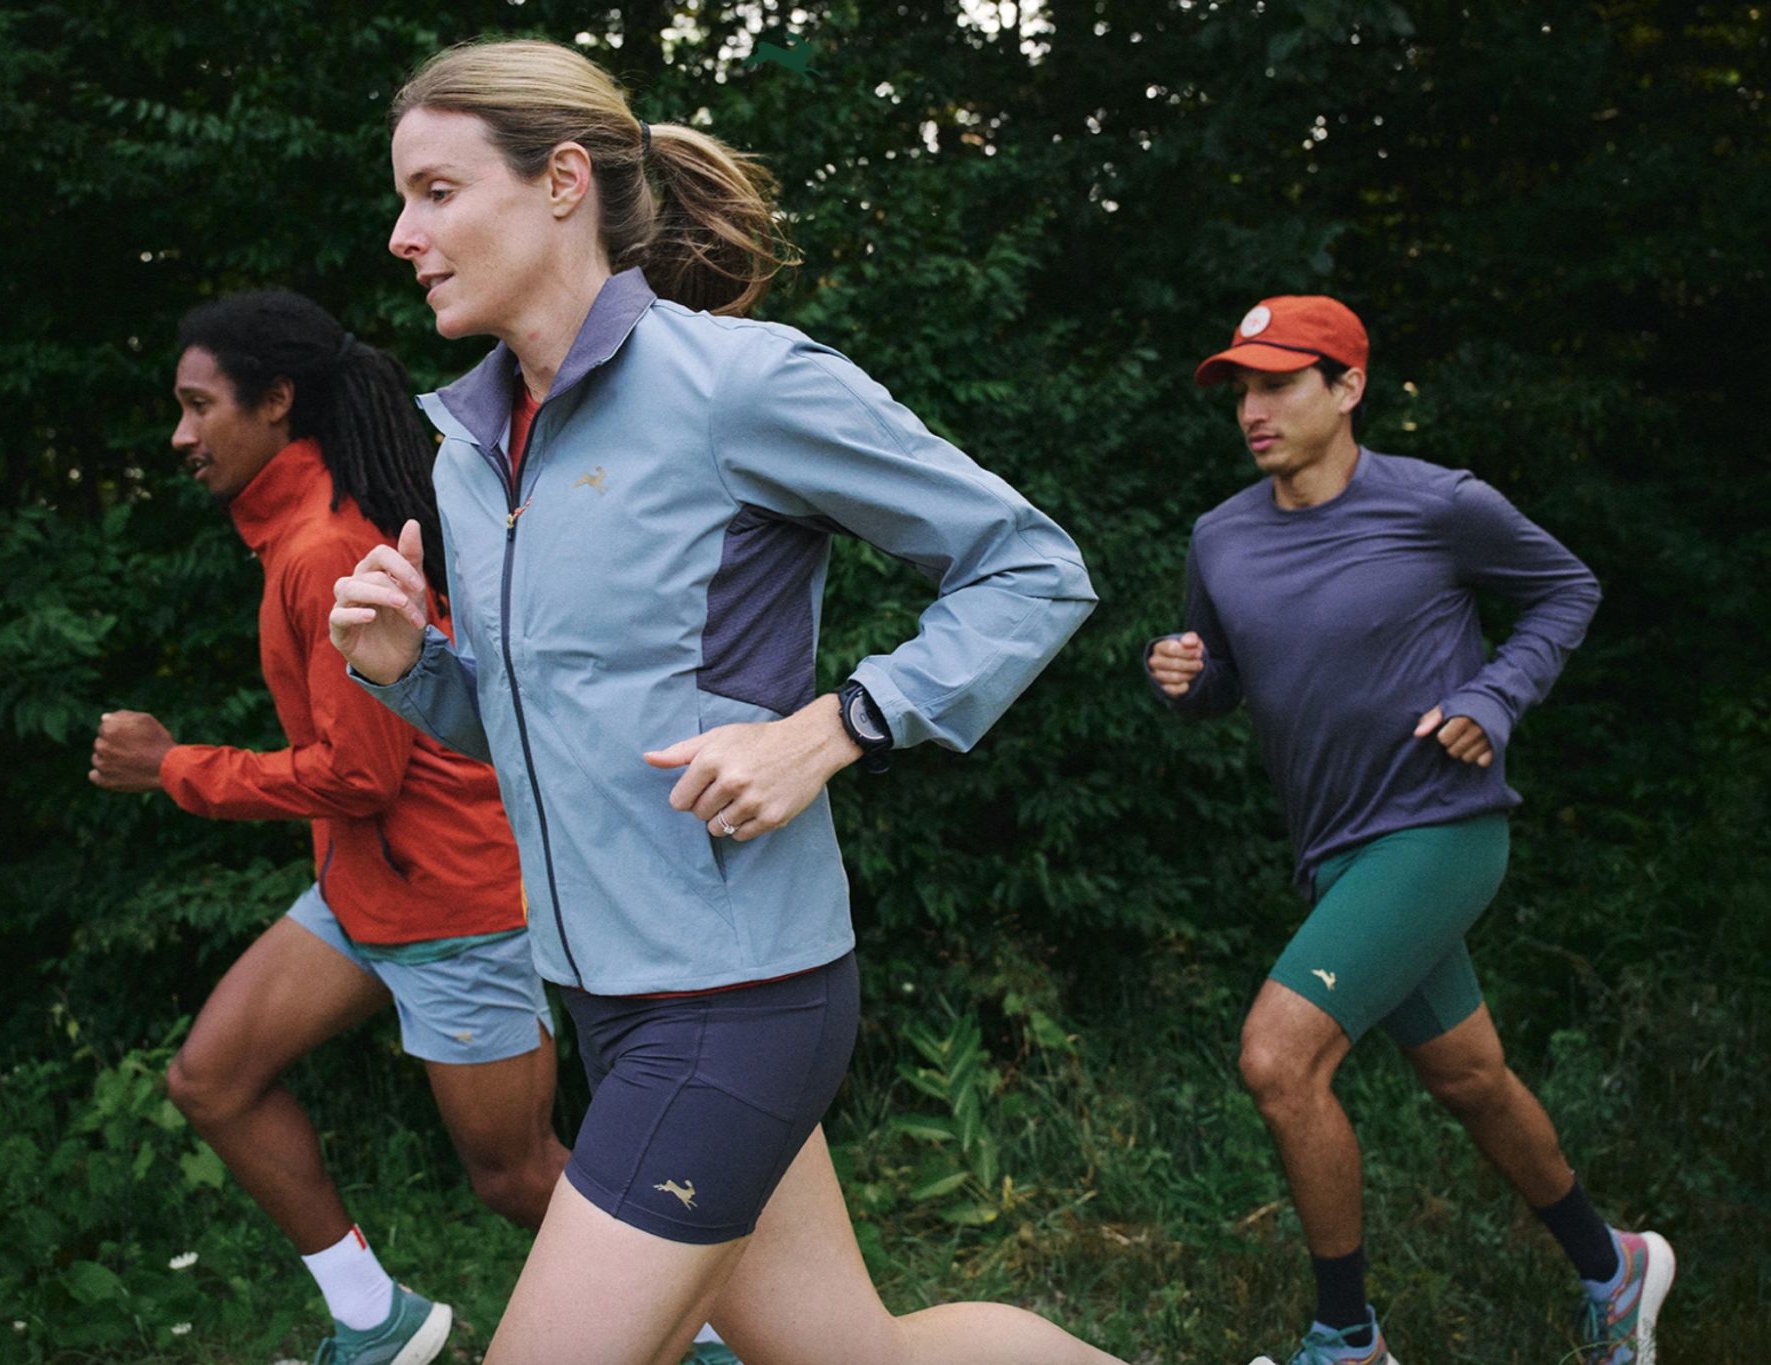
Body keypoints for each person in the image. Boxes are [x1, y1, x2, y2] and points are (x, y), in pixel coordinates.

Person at [327, 37, 1124, 1365]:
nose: (404, 235)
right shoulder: (472, 453)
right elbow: (539, 733)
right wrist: (412, 669)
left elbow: (1030, 566)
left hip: (737, 997)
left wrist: (834, 726)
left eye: (436, 192)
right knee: (855, 1353)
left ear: (562, 180)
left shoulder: (739, 385)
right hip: (602, 994)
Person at [1144, 296, 1673, 1365]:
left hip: (1438, 825)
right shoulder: (1220, 536)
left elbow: (1564, 589)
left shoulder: (1438, 506)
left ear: (1346, 389)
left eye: (1278, 381)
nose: (1252, 407)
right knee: (1467, 1079)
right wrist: (1187, 683)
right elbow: (1231, 682)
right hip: (1331, 850)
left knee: (1277, 1060)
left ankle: (1346, 1339)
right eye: (1240, 387)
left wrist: (1493, 697)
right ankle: (1612, 1267)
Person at [87, 289, 567, 1365]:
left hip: (451, 903)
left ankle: (720, 1323)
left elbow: (359, 772)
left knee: (515, 1174)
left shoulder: (324, 549)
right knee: (211, 1079)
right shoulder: (292, 537)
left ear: (275, 402)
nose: (179, 435)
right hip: (364, 893)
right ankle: (375, 1319)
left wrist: (171, 767)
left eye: (196, 406)